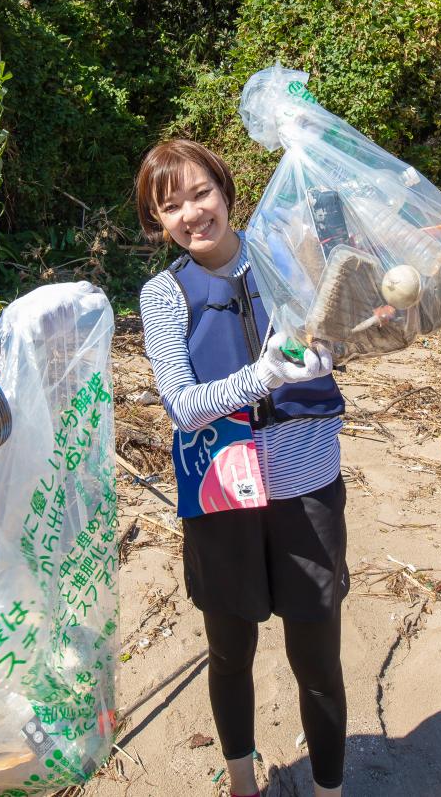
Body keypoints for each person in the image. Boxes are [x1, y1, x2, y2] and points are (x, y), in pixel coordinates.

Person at [135, 139, 348, 797]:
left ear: (226, 193)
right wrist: (259, 376)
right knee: (230, 652)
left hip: (306, 488)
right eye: (170, 205)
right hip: (220, 493)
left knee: (316, 660)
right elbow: (181, 404)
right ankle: (239, 783)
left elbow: (338, 328)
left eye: (201, 193)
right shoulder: (163, 295)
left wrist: (327, 352)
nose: (192, 212)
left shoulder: (286, 260)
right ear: (156, 222)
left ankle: (327, 788)